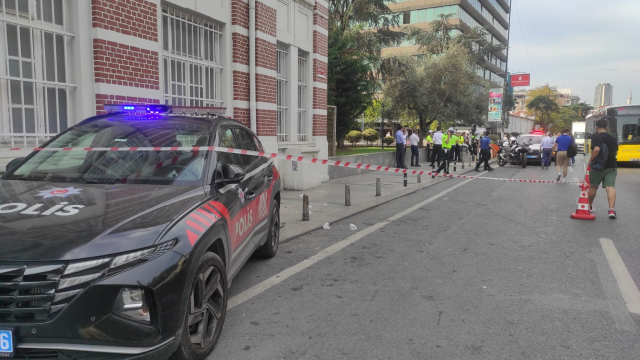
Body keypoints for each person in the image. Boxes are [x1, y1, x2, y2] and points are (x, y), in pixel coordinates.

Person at [587, 118, 619, 219]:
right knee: (610, 187)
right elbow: (616, 152)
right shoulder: (613, 138)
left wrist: (590, 160)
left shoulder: (596, 137)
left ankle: (589, 206)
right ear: (607, 127)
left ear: (596, 127)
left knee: (593, 187)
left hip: (598, 166)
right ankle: (611, 210)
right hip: (611, 166)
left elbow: (596, 149)